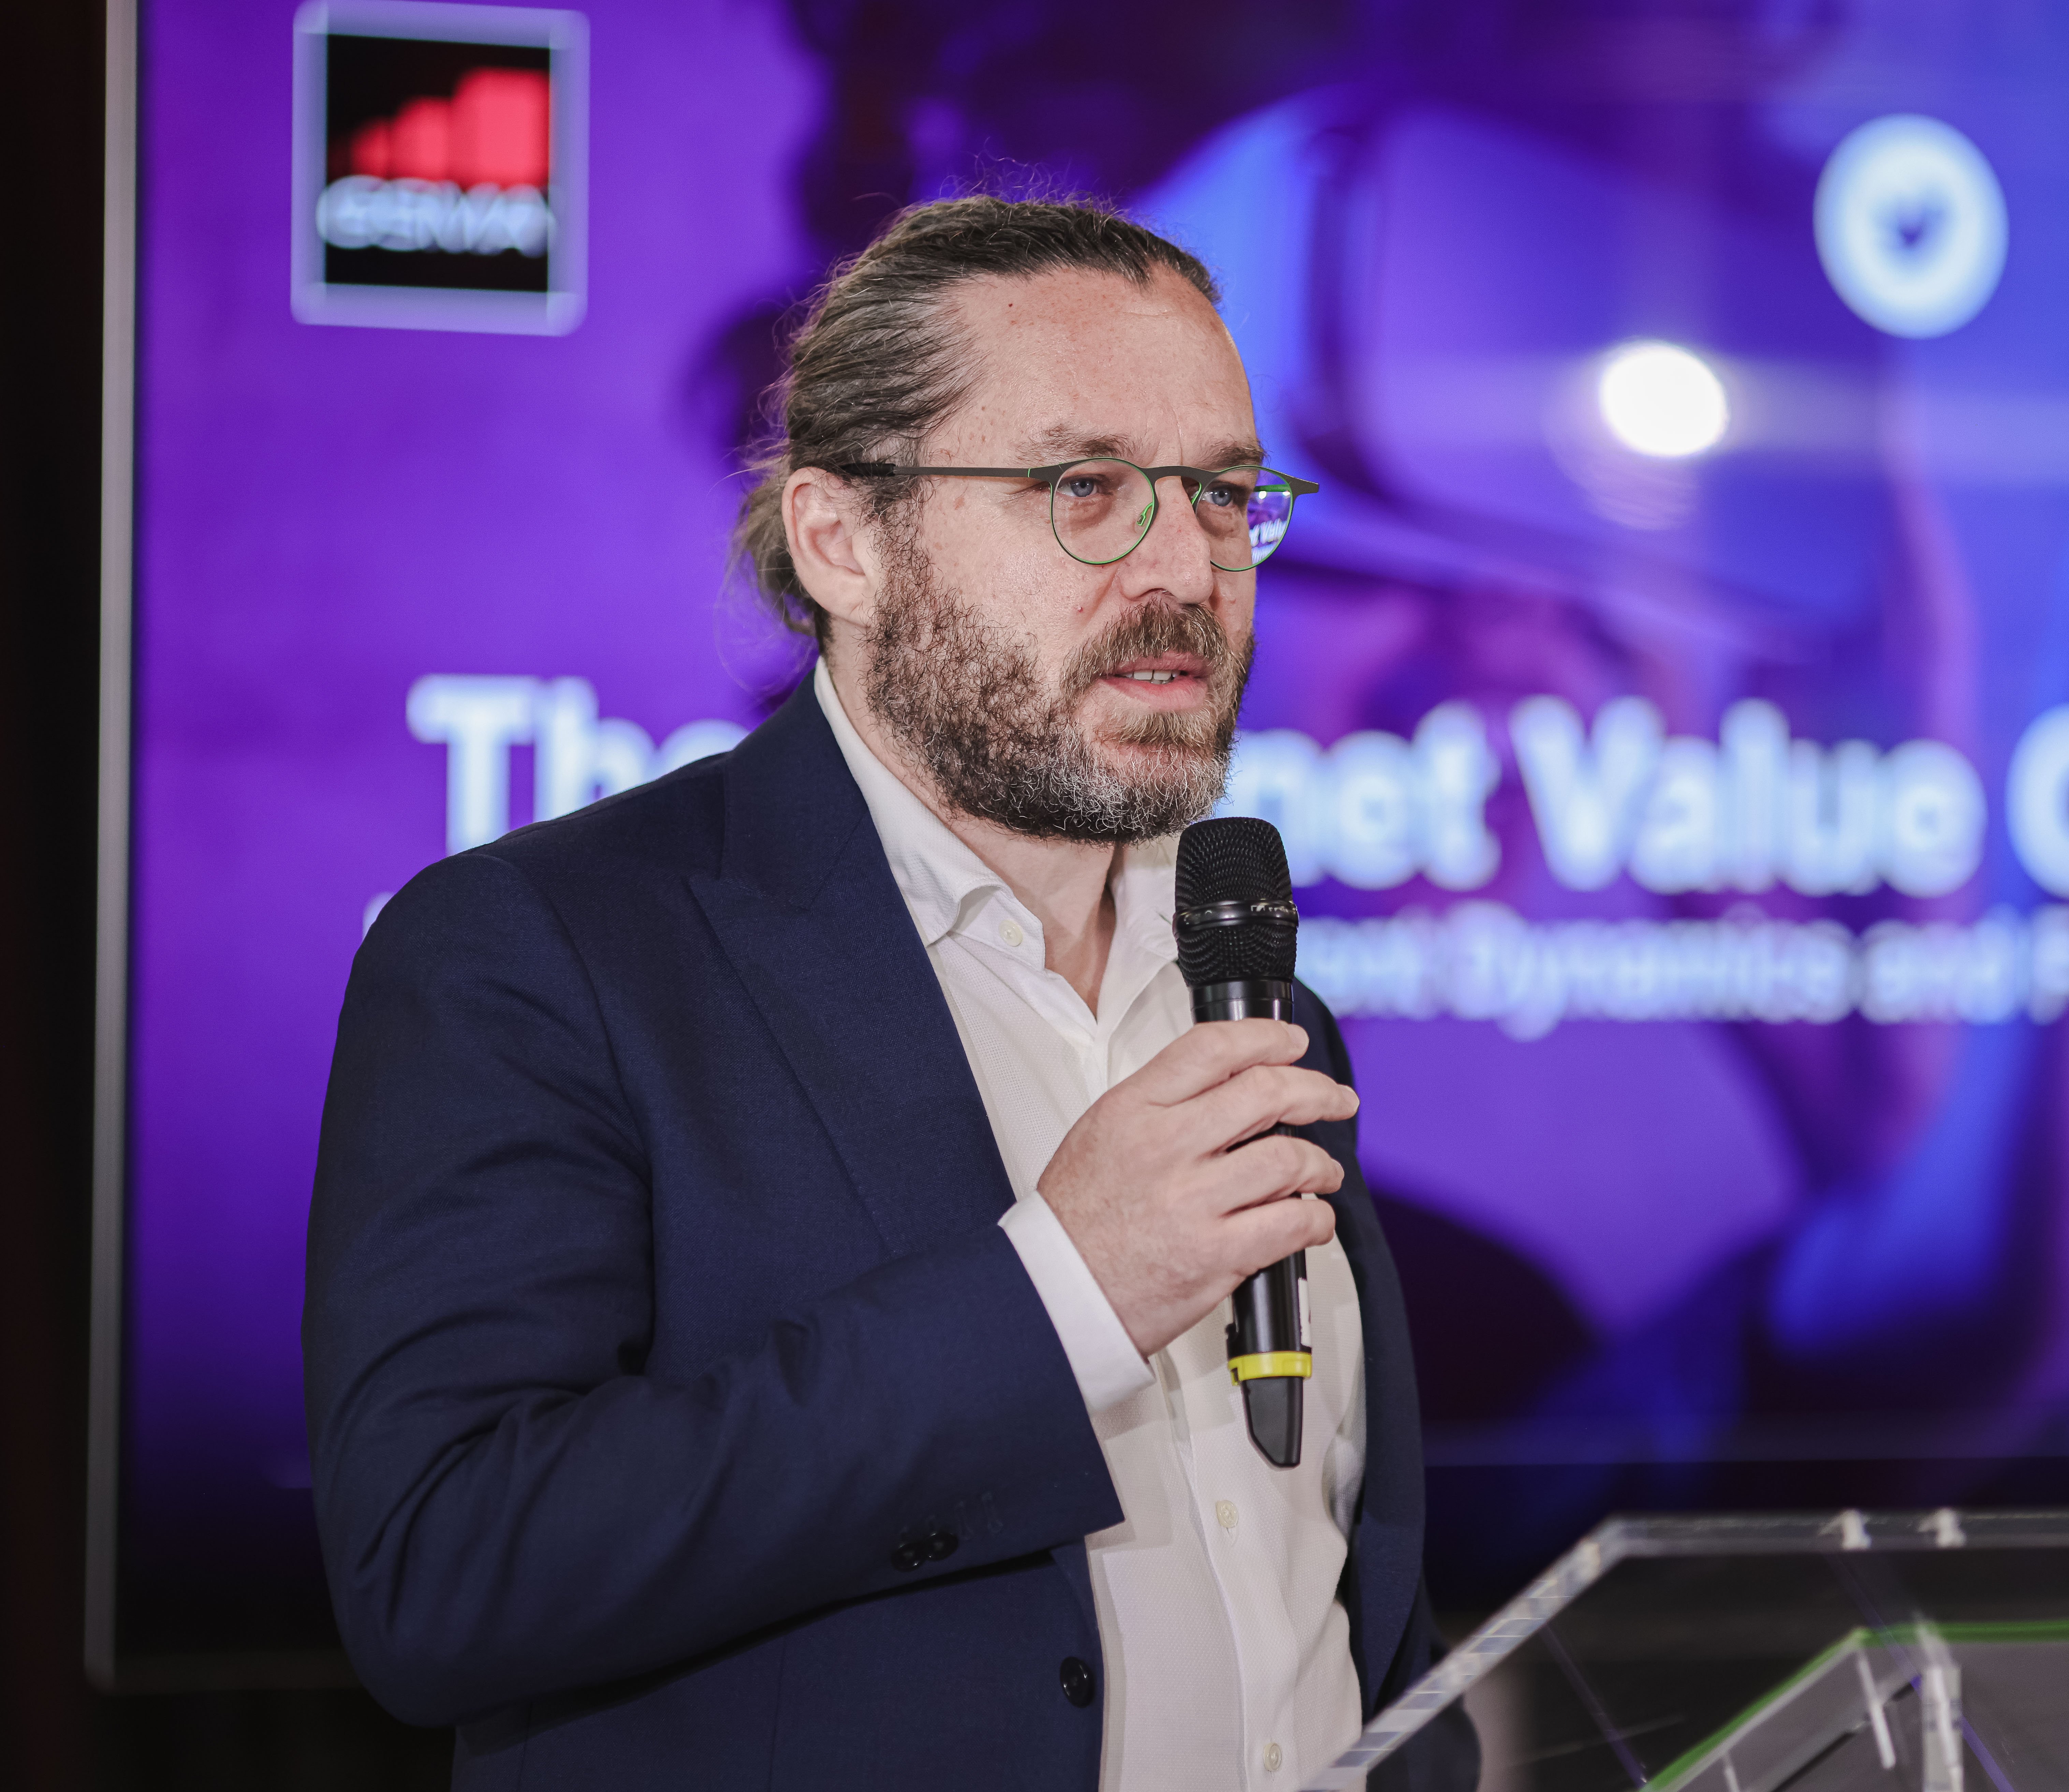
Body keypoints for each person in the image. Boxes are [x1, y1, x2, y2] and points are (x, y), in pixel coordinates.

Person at [305, 195, 1473, 1791]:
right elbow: (445, 1571)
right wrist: (1063, 1292)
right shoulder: (542, 954)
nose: (1183, 567)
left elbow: (1325, 1603)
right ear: (841, 540)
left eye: (1216, 492)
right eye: (1084, 489)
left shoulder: (1250, 1001)